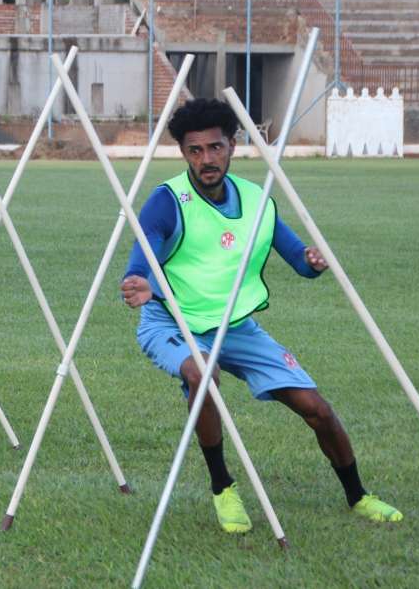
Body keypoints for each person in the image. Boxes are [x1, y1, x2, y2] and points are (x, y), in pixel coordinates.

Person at [120, 98, 401, 533]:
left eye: (215, 148)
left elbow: (299, 261)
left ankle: (358, 496)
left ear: (232, 146)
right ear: (184, 154)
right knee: (201, 375)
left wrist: (313, 261)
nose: (206, 159)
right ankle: (223, 487)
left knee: (317, 409)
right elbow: (145, 254)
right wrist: (141, 281)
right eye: (195, 151)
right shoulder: (167, 200)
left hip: (236, 326)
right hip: (173, 324)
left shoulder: (257, 200)